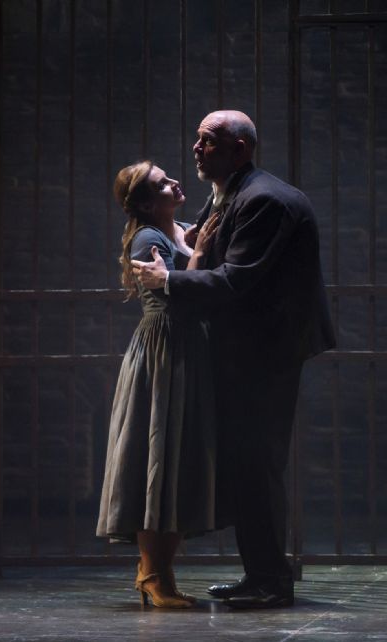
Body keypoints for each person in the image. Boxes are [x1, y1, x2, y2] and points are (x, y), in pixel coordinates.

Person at [133, 110, 335, 609]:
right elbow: (205, 243)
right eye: (197, 139)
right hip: (247, 352)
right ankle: (260, 576)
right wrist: (177, 241)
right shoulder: (229, 192)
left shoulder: (263, 199)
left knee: (258, 465)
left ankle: (271, 582)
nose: (196, 149)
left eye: (207, 141)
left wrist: (167, 279)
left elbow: (235, 279)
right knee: (247, 466)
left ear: (239, 149)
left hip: (265, 355)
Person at [96, 160, 223, 609]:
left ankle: (157, 572)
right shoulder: (148, 238)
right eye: (161, 183)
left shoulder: (184, 230)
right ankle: (154, 575)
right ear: (148, 204)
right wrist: (197, 254)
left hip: (188, 350)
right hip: (163, 353)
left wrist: (194, 249)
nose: (174, 182)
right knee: (159, 457)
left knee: (178, 461)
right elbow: (179, 296)